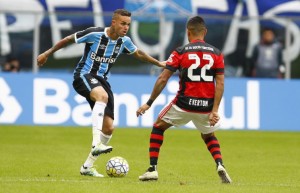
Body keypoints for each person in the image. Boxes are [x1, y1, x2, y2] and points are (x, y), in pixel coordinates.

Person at [37, 9, 165, 178]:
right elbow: (68, 39)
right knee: (102, 97)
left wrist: (159, 63)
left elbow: (139, 53)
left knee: (109, 127)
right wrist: (47, 53)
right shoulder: (94, 33)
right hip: (84, 75)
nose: (126, 27)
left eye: (128, 24)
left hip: (103, 82)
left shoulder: (124, 42)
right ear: (113, 22)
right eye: (122, 23)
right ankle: (95, 143)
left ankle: (87, 166)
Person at [136, 16, 232, 183]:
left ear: (188, 32)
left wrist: (149, 103)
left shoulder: (180, 52)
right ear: (205, 32)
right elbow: (220, 83)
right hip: (206, 106)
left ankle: (152, 169)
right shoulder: (217, 53)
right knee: (209, 136)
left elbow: (162, 79)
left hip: (183, 104)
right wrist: (215, 110)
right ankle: (220, 164)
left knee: (158, 127)